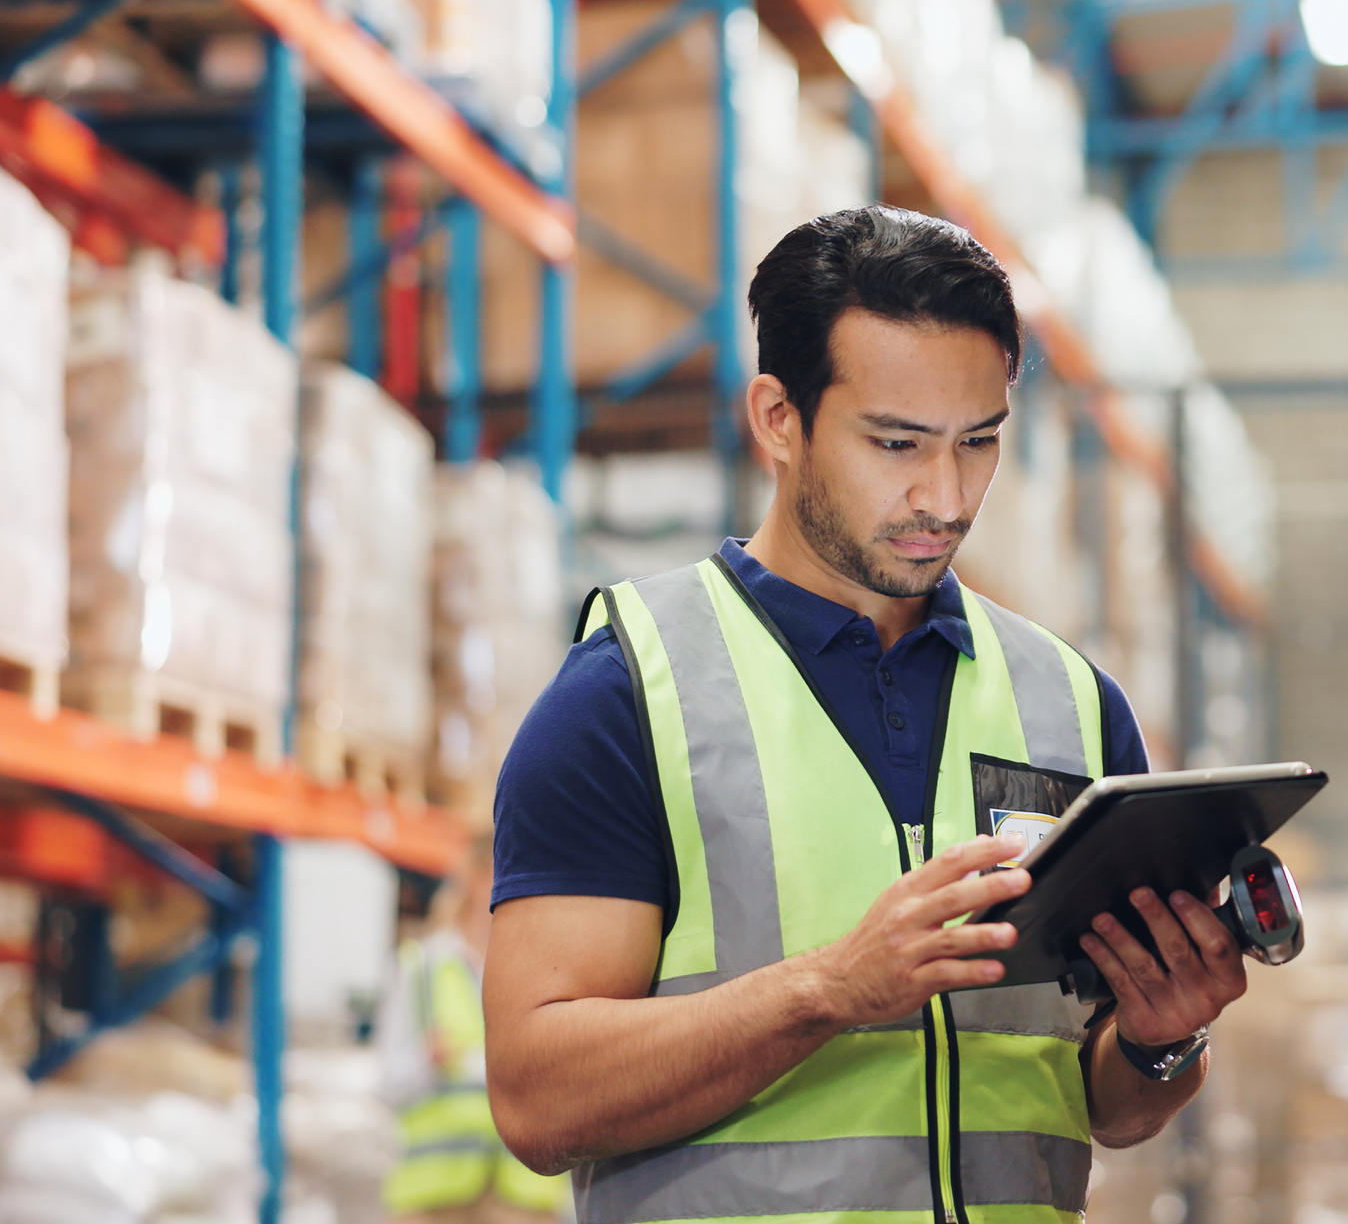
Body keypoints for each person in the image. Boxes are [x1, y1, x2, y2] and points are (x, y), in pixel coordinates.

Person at [482, 206, 1253, 1223]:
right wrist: (831, 989)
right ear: (778, 418)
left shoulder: (1071, 704)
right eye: (896, 443)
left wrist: (1162, 1040)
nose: (944, 497)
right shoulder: (627, 693)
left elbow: (1104, 1107)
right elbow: (536, 1098)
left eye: (978, 442)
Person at [377, 837, 571, 1223]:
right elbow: (388, 1085)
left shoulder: (542, 968)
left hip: (523, 1197)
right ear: (476, 878)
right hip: (436, 1200)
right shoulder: (422, 966)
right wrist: (427, 1062)